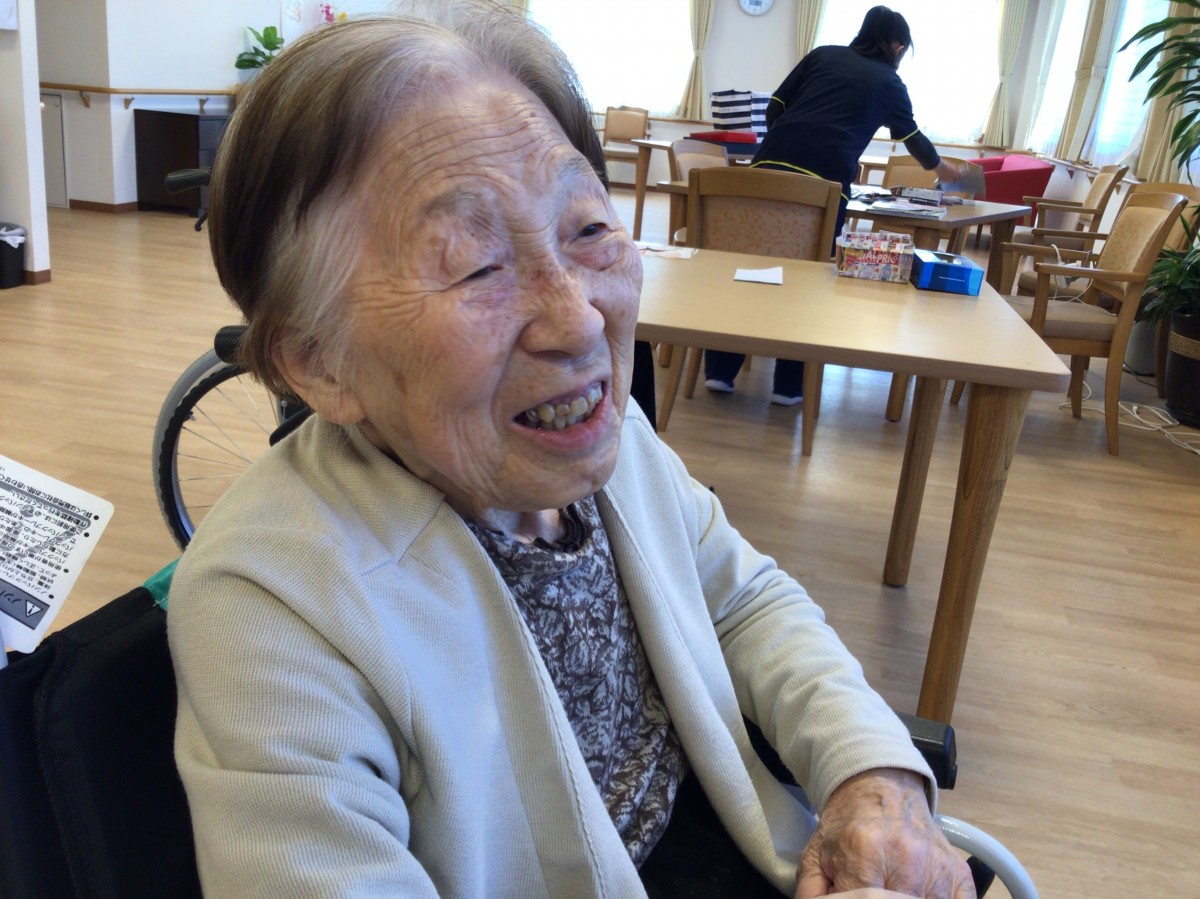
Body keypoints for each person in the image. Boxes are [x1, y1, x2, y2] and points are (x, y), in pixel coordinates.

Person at [166, 3, 976, 897]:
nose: (580, 319)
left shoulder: (602, 440)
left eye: (588, 229)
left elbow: (743, 601)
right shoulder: (269, 609)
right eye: (476, 265)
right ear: (319, 362)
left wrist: (873, 776)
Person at [704, 5, 961, 406]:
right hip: (822, 186)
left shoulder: (822, 54)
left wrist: (787, 146)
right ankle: (787, 386)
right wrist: (944, 169)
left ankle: (720, 372)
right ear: (897, 46)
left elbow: (775, 107)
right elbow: (913, 138)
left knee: (749, 265)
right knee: (808, 280)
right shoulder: (890, 82)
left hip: (765, 170)